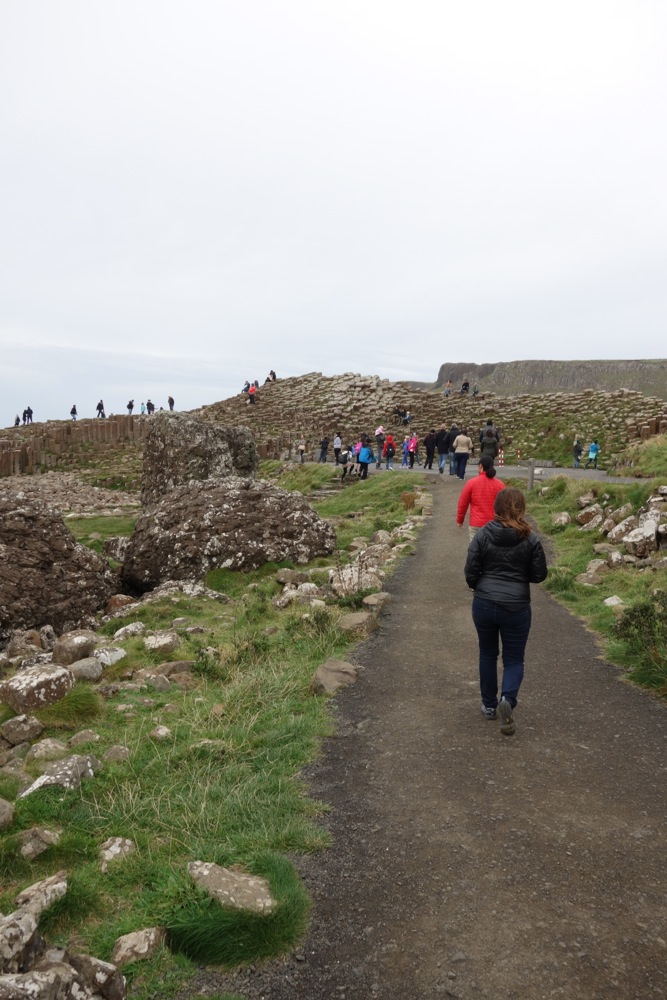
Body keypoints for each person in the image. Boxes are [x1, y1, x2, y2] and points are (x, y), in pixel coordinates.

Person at [465, 488, 548, 735]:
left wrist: (479, 586)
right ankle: (507, 700)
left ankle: (489, 705)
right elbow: (539, 575)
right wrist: (520, 577)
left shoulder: (482, 534)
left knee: (487, 653)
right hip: (517, 606)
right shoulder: (530, 538)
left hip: (484, 602)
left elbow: (470, 570)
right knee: (514, 659)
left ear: (496, 507)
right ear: (521, 508)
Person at [456, 455, 505, 541]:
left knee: (475, 548)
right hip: (494, 525)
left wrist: (460, 519)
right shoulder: (500, 484)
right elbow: (505, 505)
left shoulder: (471, 483)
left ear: (481, 466)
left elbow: (463, 503)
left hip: (476, 524)